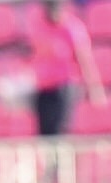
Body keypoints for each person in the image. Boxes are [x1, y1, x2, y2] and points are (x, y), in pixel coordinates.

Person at [26, 0, 106, 137]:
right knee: (45, 134)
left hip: (64, 87)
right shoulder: (40, 26)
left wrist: (94, 87)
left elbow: (84, 60)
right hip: (43, 88)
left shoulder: (72, 28)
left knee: (60, 131)